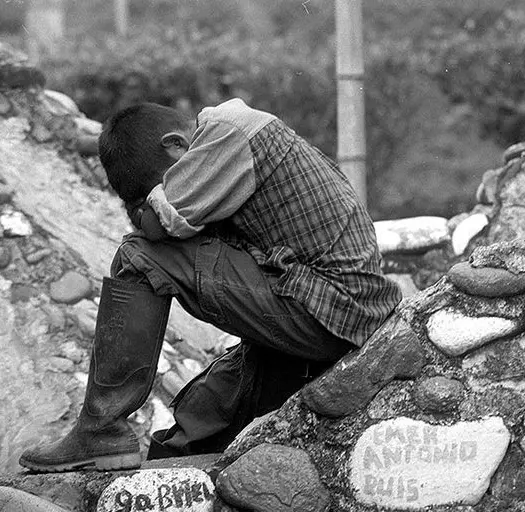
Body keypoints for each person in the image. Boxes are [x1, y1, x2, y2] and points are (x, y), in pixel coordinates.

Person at [20, 99, 401, 472]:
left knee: (139, 254)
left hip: (326, 304)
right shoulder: (234, 151)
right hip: (325, 309)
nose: (164, 197)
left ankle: (101, 428)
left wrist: (149, 207)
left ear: (176, 145)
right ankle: (133, 452)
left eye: (162, 187)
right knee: (199, 421)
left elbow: (154, 228)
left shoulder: (226, 131)